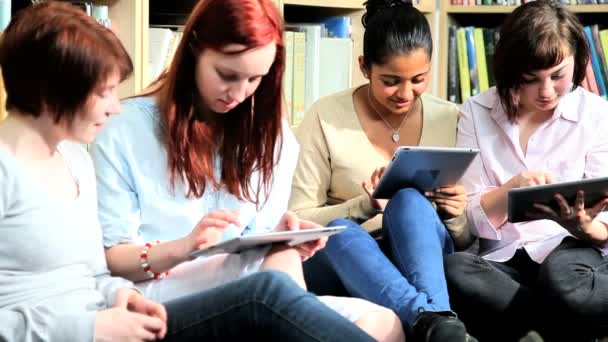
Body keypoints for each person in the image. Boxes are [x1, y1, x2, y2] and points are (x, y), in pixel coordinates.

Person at [0, 2, 381, 341]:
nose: (116, 107)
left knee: (373, 312)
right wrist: (91, 327)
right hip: (89, 327)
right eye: (104, 92)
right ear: (52, 91)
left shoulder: (74, 161)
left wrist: (122, 299)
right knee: (266, 294)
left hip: (114, 317)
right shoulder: (8, 171)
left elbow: (92, 275)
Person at [288, 0, 476, 341]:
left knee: (409, 200)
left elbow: (463, 242)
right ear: (364, 66)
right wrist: (363, 206)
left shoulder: (452, 117)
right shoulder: (326, 116)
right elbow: (296, 222)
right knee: (341, 229)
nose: (405, 93)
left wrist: (456, 216)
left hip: (423, 261)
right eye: (390, 81)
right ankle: (437, 321)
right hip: (347, 260)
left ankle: (428, 322)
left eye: (419, 79)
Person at [443, 1, 608, 341]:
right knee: (453, 269)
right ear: (510, 71)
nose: (546, 92)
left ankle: (530, 328)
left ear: (577, 61)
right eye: (530, 79)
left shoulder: (596, 114)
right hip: (503, 263)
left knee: (563, 280)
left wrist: (587, 228)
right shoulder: (476, 112)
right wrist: (511, 188)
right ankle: (555, 328)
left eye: (558, 76)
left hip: (571, 253)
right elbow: (469, 220)